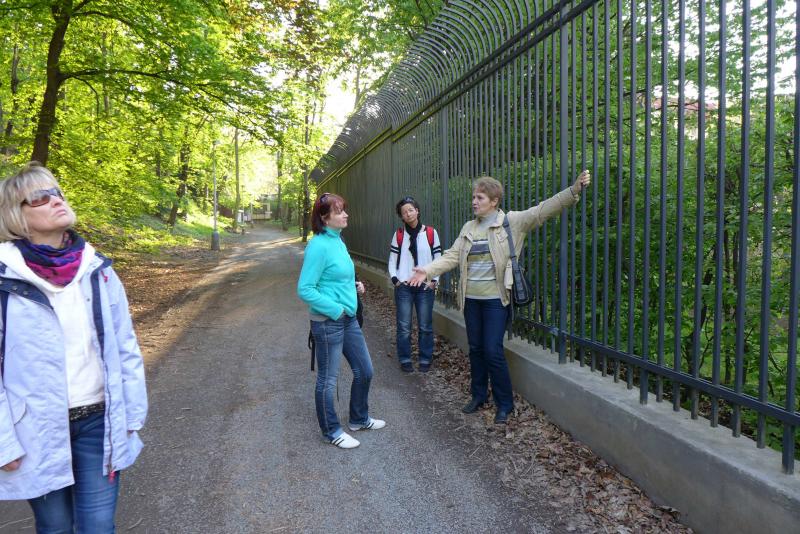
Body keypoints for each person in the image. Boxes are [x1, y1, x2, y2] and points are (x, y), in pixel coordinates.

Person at [0, 162, 148, 532]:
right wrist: (3, 442)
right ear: (16, 215)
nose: (56, 200)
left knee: (98, 526)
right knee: (55, 527)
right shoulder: (5, 277)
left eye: (57, 193)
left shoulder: (98, 270)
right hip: (35, 429)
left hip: (99, 420)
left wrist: (132, 415)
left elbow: (125, 346)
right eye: (40, 197)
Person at [409, 171, 591, 424]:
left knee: (492, 350)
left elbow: (541, 211)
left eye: (480, 197)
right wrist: (428, 270)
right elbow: (452, 255)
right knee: (475, 349)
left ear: (494, 201)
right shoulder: (469, 228)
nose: (474, 201)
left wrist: (572, 191)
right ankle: (478, 395)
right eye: (474, 197)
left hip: (496, 301)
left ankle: (504, 403)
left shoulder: (511, 222)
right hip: (471, 300)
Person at [297, 192, 385, 449]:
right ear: (325, 218)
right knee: (328, 380)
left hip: (348, 319)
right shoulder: (318, 246)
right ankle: (331, 431)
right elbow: (305, 289)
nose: (346, 214)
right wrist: (335, 309)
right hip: (329, 321)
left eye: (344, 209)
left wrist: (354, 286)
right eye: (339, 211)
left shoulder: (338, 240)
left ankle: (358, 418)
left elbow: (336, 277)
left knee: (365, 370)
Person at [388, 196, 442, 373]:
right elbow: (392, 260)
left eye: (411, 210)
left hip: (425, 286)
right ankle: (405, 358)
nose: (408, 214)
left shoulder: (431, 233)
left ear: (417, 211)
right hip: (404, 286)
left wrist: (434, 281)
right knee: (404, 326)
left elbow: (438, 259)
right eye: (404, 212)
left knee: (425, 326)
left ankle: (425, 358)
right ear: (401, 217)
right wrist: (395, 280)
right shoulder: (399, 235)